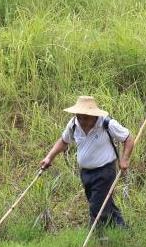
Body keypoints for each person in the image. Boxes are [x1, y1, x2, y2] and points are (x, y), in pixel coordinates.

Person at [40, 96, 135, 228]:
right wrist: (49, 157)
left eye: (85, 117)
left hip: (105, 171)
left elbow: (128, 138)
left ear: (93, 115)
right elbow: (63, 141)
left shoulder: (107, 123)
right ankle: (123, 230)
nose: (82, 120)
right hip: (85, 173)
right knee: (105, 203)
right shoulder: (74, 124)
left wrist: (124, 159)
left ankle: (99, 237)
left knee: (97, 207)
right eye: (79, 116)